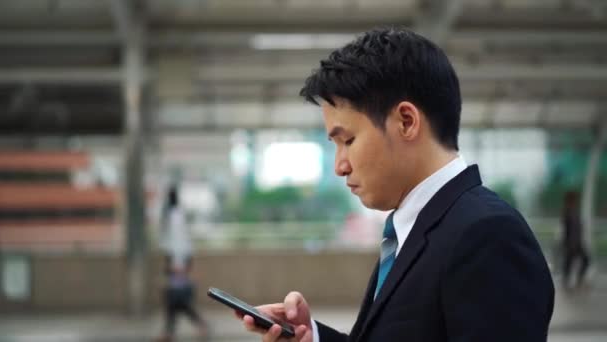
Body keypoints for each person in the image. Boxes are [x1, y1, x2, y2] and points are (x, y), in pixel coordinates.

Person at [238, 27, 555, 342]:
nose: (339, 166)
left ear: (406, 121)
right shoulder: (417, 228)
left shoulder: (487, 236)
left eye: (348, 140)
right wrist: (314, 338)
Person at [157, 185, 208, 342]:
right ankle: (170, 333)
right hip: (178, 267)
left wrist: (180, 267)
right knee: (175, 303)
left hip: (178, 267)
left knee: (177, 302)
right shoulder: (176, 215)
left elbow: (178, 243)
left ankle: (171, 332)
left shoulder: (174, 216)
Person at [561, 190, 591, 291]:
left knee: (585, 260)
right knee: (569, 263)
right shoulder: (567, 212)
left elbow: (578, 227)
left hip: (577, 242)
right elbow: (567, 229)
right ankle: (567, 284)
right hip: (571, 243)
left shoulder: (574, 211)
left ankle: (577, 281)